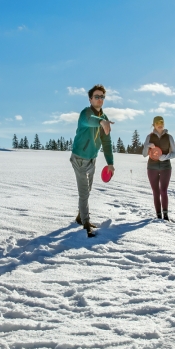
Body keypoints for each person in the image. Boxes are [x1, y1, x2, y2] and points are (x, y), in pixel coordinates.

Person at [70, 84, 114, 237]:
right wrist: (101, 122)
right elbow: (90, 120)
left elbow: (107, 142)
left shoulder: (104, 118)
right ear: (90, 99)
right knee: (84, 193)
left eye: (102, 97)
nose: (100, 99)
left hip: (91, 159)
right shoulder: (85, 114)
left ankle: (79, 216)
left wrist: (110, 163)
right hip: (79, 159)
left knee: (87, 191)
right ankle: (85, 222)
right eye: (97, 96)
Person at [142, 116, 175, 221]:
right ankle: (158, 216)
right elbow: (144, 154)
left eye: (161, 122)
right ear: (153, 125)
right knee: (155, 191)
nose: (159, 124)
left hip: (166, 167)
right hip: (152, 167)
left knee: (163, 190)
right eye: (157, 122)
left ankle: (165, 216)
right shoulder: (149, 137)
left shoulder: (169, 137)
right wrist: (147, 145)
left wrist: (165, 157)